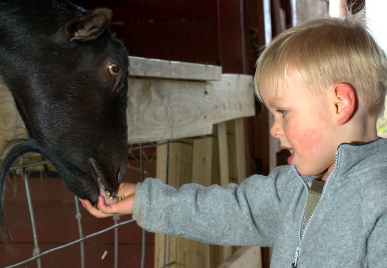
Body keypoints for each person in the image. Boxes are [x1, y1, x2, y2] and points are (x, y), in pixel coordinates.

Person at [80, 10, 387, 267]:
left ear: (339, 104)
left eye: (283, 112)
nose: (274, 128)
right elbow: (231, 211)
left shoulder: (379, 200)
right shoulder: (292, 187)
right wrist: (146, 201)